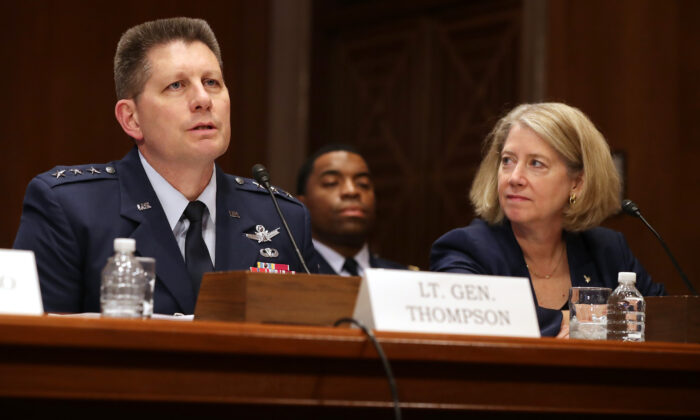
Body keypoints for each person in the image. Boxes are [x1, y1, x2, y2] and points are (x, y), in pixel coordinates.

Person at [13, 17, 316, 315]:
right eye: (176, 85)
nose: (202, 99)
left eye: (212, 82)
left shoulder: (282, 217)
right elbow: (36, 352)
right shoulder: (70, 209)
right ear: (131, 119)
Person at [429, 102, 665, 337]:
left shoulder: (608, 250)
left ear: (577, 183)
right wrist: (582, 323)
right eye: (507, 160)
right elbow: (473, 318)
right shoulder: (466, 249)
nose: (515, 177)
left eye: (536, 164)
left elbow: (665, 320)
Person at [296, 144, 410, 276]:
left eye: (363, 184)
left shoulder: (403, 278)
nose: (352, 191)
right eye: (331, 183)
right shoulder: (289, 276)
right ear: (301, 204)